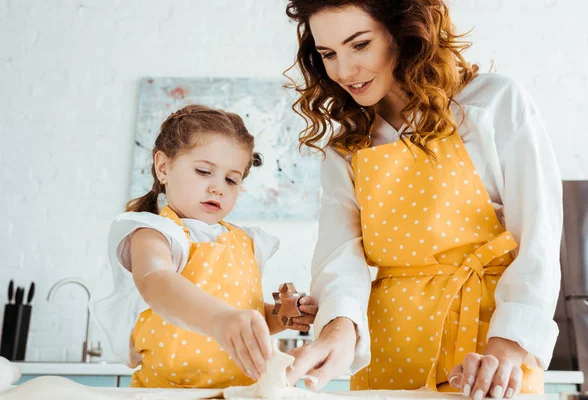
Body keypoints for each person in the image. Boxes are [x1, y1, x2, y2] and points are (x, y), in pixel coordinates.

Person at [283, 1, 562, 399]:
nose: (343, 71)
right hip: (391, 347)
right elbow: (340, 257)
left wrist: (507, 349)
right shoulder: (347, 147)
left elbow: (540, 236)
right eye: (328, 54)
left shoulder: (492, 103)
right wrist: (336, 332)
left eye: (359, 45)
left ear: (403, 33)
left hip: (491, 350)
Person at [90, 104, 318, 388]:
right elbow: (158, 284)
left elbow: (246, 314)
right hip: (168, 392)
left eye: (231, 179)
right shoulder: (154, 233)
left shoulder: (245, 242)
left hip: (240, 391)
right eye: (203, 171)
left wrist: (282, 315)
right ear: (163, 167)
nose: (218, 188)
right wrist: (221, 320)